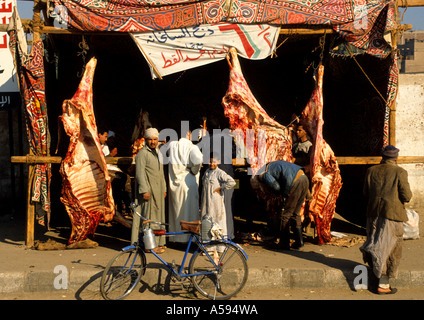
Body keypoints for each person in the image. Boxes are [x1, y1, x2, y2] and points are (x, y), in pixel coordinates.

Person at [360, 145, 412, 295]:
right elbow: (407, 196)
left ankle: (375, 279)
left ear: (383, 156)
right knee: (389, 249)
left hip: (373, 213)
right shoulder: (400, 172)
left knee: (375, 244)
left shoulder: (371, 171)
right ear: (396, 157)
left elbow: (366, 192)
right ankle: (383, 286)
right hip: (392, 215)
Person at [251, 160, 309, 250]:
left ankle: (284, 243)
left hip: (295, 182)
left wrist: (281, 195)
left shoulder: (263, 174)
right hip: (304, 179)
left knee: (285, 215)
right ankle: (299, 241)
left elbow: (276, 187)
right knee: (295, 213)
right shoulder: (272, 165)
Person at [133, 128, 167, 253]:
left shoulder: (158, 152)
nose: (153, 142)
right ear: (146, 140)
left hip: (158, 190)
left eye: (155, 139)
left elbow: (161, 173)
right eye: (150, 139)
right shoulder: (142, 154)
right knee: (149, 218)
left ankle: (159, 242)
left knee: (158, 217)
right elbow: (140, 174)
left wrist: (164, 188)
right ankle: (149, 246)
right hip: (149, 190)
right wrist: (144, 190)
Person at [167, 128, 203, 244]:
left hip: (175, 182)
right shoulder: (192, 147)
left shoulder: (172, 145)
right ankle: (188, 238)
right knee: (190, 209)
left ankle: (176, 237)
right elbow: (198, 159)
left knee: (177, 209)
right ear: (189, 134)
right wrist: (194, 170)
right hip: (188, 180)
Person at [200, 155, 236, 242]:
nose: (212, 164)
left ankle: (219, 246)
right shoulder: (206, 172)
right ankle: (207, 246)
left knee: (217, 223)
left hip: (216, 203)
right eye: (210, 162)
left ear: (218, 162)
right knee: (206, 224)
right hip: (206, 203)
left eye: (214, 162)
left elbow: (232, 182)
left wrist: (221, 187)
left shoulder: (220, 173)